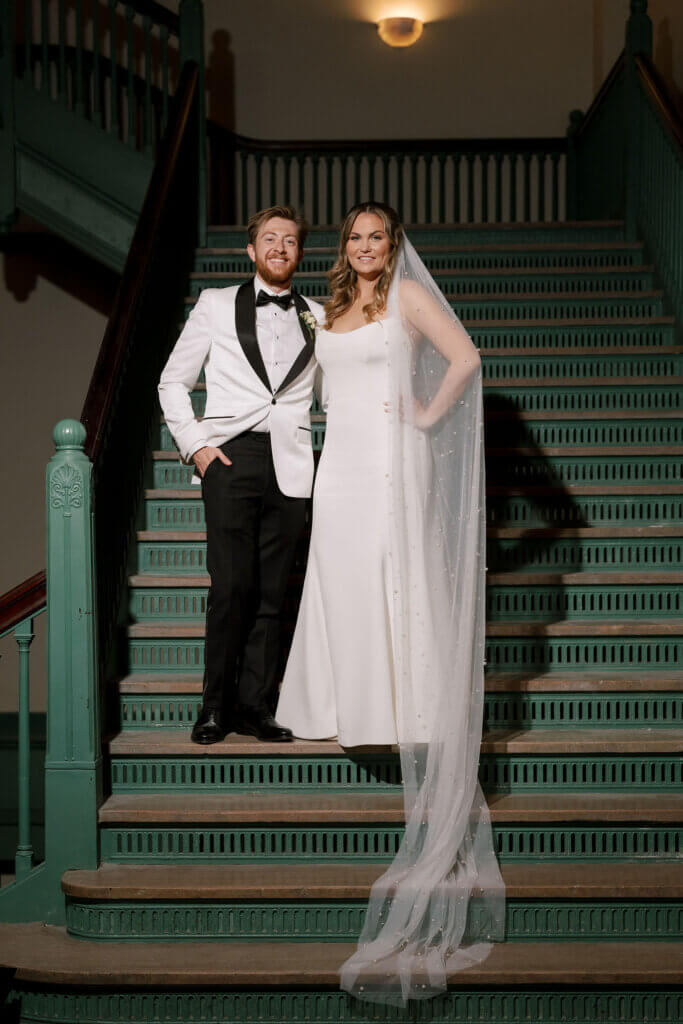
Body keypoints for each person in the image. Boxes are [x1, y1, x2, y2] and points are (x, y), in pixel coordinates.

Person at [276, 202, 505, 1003]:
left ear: (393, 245)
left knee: (389, 575)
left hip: (388, 461)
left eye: (376, 237)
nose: (365, 248)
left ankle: (403, 706)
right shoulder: (331, 307)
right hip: (338, 464)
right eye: (354, 238)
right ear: (343, 250)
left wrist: (423, 414)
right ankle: (339, 699)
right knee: (337, 576)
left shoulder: (406, 297)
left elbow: (465, 358)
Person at [158, 205, 325, 744]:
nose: (280, 247)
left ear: (300, 253)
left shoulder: (318, 316)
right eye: (270, 239)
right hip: (229, 458)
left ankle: (257, 706)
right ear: (252, 251)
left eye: (291, 241)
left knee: (274, 594)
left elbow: (332, 395)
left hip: (293, 462)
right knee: (231, 587)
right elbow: (171, 382)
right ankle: (214, 707)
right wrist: (196, 446)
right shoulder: (214, 304)